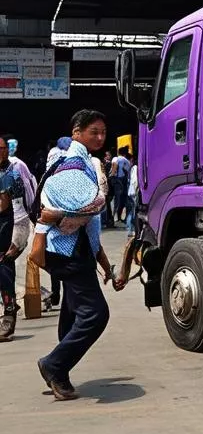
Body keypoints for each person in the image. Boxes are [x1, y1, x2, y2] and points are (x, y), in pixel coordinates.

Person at [34, 110, 116, 400]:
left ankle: (60, 375)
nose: (100, 137)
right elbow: (91, 205)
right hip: (69, 251)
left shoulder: (83, 163)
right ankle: (54, 365)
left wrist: (104, 263)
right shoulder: (73, 164)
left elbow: (89, 224)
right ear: (77, 132)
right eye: (94, 131)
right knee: (95, 314)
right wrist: (96, 201)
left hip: (70, 249)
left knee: (71, 313)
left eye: (104, 132)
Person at [40, 137, 72, 308]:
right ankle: (66, 296)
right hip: (68, 221)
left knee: (56, 258)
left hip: (54, 219)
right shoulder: (73, 161)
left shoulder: (53, 158)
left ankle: (56, 294)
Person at [0, 135, 27, 341]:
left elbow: (19, 211)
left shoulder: (13, 175)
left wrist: (18, 241)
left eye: (2, 148)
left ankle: (9, 317)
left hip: (6, 236)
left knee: (5, 276)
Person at [3, 135, 36, 270]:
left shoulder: (15, 165)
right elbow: (29, 190)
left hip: (13, 214)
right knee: (10, 254)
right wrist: (32, 211)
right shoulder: (19, 165)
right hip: (17, 214)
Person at [125, 154, 138, 232]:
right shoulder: (135, 168)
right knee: (132, 210)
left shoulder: (132, 168)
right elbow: (134, 181)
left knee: (131, 210)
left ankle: (130, 228)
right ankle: (130, 229)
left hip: (131, 191)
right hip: (133, 191)